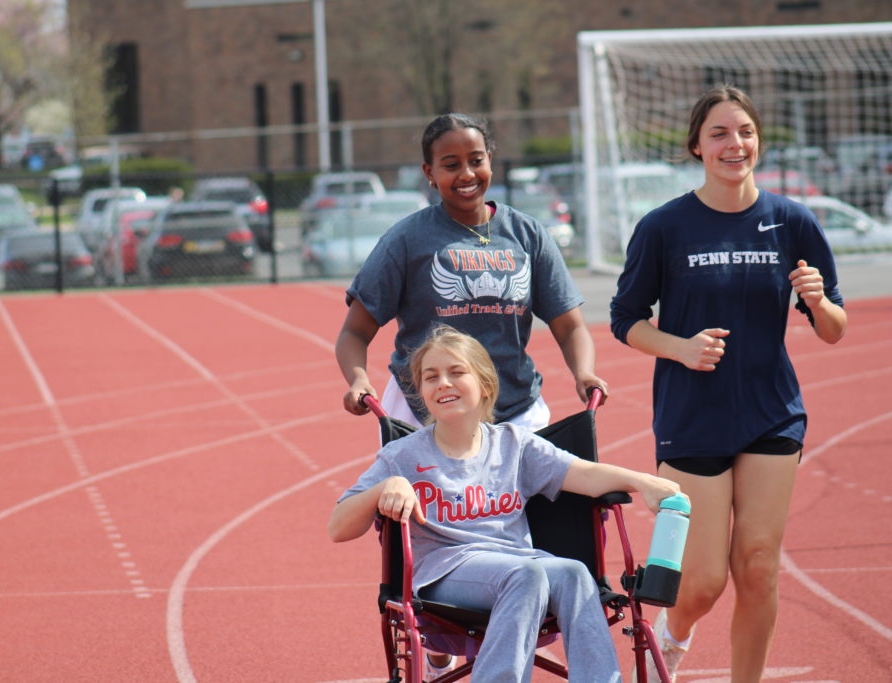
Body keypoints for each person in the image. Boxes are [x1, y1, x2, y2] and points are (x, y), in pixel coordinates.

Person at [609, 84, 847, 683]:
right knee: (705, 581)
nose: (733, 143)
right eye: (719, 133)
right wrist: (680, 348)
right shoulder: (665, 227)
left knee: (760, 565)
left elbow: (835, 330)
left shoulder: (793, 221)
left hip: (772, 414)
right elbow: (625, 320)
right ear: (697, 146)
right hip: (693, 417)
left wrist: (819, 303)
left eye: (744, 131)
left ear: (758, 142)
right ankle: (677, 630)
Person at [329, 325, 681, 682]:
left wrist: (642, 481)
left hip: (519, 565)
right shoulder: (402, 455)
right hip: (445, 571)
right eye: (430, 377)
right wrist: (387, 486)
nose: (443, 383)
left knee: (575, 572)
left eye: (456, 372)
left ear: (484, 384)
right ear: (420, 391)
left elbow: (586, 475)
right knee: (525, 575)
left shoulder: (514, 444)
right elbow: (339, 527)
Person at [336, 113, 607, 432]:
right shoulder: (406, 240)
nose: (466, 174)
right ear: (430, 172)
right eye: (451, 165)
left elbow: (570, 326)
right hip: (425, 414)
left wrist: (583, 372)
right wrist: (359, 379)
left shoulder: (527, 234)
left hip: (515, 412)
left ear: (489, 161)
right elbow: (354, 331)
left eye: (476, 161)